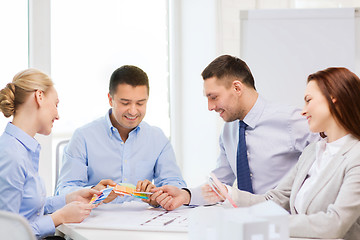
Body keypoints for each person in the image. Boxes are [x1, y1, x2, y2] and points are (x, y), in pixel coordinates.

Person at [202, 67, 360, 239]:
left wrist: (263, 223)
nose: (303, 111)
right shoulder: (312, 152)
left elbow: (334, 224)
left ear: (333, 99)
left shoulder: (355, 156)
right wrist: (229, 194)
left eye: (308, 100)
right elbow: (276, 199)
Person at [150, 55, 318, 209]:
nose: (210, 107)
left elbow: (329, 165)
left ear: (237, 88)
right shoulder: (229, 131)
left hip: (287, 224)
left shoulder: (291, 120)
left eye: (214, 97)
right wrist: (185, 195)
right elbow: (220, 184)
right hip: (245, 223)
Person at [55, 65, 186, 205]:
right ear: (110, 99)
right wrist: (94, 192)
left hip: (142, 221)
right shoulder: (83, 137)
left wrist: (158, 195)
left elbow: (175, 184)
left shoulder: (157, 138)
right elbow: (64, 191)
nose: (133, 111)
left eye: (140, 103)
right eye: (125, 103)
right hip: (95, 220)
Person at [0, 69, 100, 239]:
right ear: (39, 96)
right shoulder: (11, 155)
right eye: (56, 104)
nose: (58, 115)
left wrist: (69, 199)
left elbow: (28, 209)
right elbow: (7, 232)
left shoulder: (22, 149)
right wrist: (58, 217)